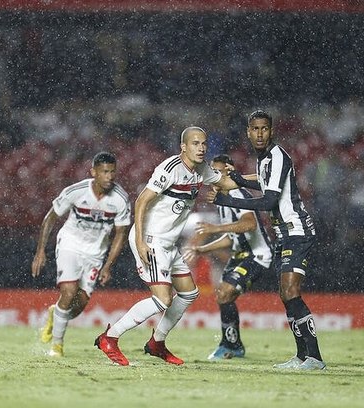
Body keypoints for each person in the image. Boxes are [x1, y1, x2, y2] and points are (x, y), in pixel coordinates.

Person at [94, 126, 238, 366]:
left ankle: (157, 342)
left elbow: (227, 182)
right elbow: (141, 201)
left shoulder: (201, 169)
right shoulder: (169, 168)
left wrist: (263, 179)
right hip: (151, 240)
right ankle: (110, 337)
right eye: (195, 143)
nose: (201, 148)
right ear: (183, 146)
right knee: (163, 299)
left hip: (169, 244)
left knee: (189, 293)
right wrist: (140, 241)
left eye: (203, 143)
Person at [206, 109, 326, 370]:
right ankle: (302, 355)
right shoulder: (264, 160)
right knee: (286, 294)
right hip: (283, 235)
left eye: (264, 128)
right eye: (255, 129)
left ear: (271, 131)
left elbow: (270, 199)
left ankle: (314, 357)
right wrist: (236, 178)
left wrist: (227, 197)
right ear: (248, 133)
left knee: (291, 291)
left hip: (297, 231)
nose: (260, 133)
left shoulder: (278, 155)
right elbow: (262, 181)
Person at [31, 152, 131, 357]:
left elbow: (121, 233)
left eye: (112, 172)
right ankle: (56, 347)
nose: (109, 177)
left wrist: (108, 266)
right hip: (70, 245)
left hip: (95, 254)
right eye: (104, 172)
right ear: (93, 172)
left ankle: (54, 312)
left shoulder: (121, 199)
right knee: (68, 292)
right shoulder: (76, 191)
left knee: (78, 306)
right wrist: (40, 250)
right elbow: (51, 217)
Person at [183, 154, 273, 360]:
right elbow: (231, 237)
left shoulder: (238, 194)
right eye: (211, 173)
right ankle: (232, 344)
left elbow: (248, 224)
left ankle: (232, 345)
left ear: (229, 170)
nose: (213, 177)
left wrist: (215, 227)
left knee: (225, 292)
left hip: (257, 255)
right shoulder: (223, 199)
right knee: (223, 295)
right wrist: (202, 249)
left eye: (218, 172)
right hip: (239, 254)